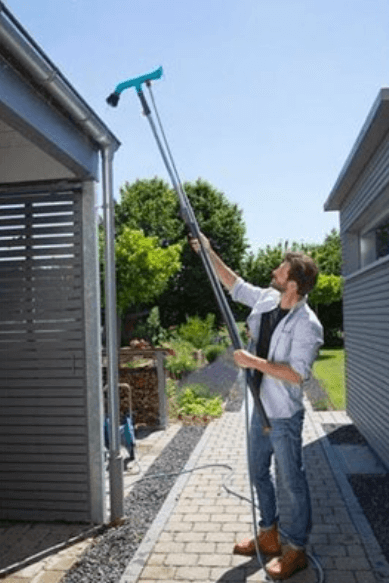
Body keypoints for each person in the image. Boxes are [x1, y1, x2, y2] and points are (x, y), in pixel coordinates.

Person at [190, 233, 323, 581]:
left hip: (283, 416)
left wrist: (253, 361)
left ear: (292, 282)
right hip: (258, 410)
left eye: (281, 268)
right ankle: (269, 533)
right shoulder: (266, 299)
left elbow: (297, 375)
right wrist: (208, 249)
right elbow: (233, 284)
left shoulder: (308, 325)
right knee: (258, 473)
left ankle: (296, 550)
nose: (274, 270)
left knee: (291, 482)